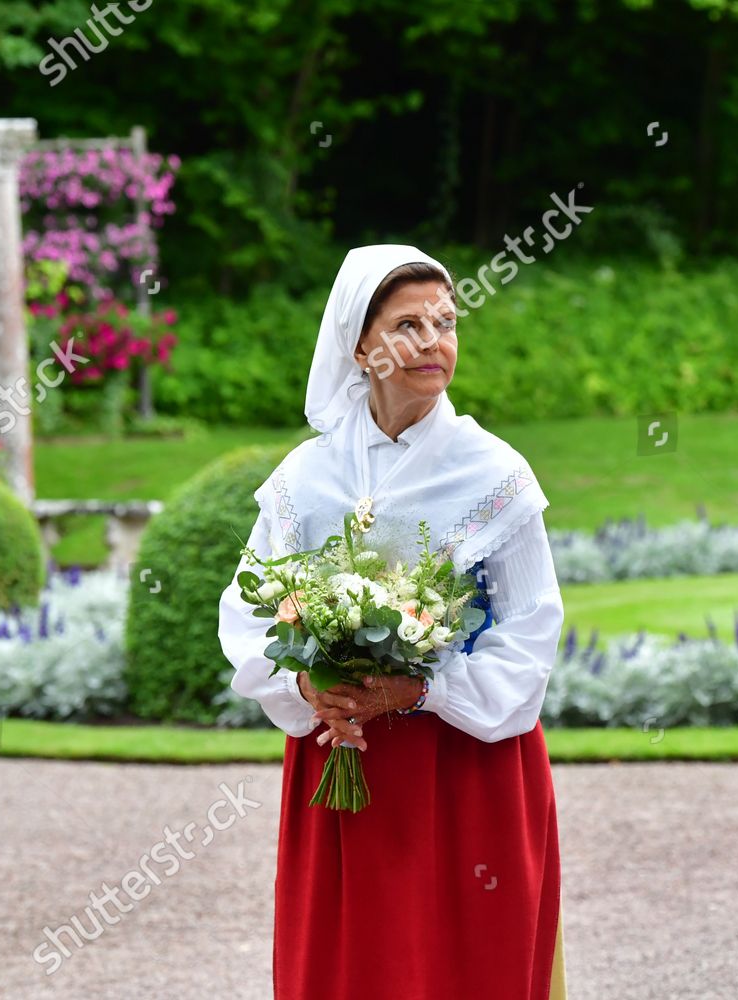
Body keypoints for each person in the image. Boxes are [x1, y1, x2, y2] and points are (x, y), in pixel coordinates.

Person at [217, 244, 568, 999]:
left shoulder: (493, 473)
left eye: (446, 322)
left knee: (463, 967)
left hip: (465, 768)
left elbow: (532, 627)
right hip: (342, 756)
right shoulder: (305, 478)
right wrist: (309, 680)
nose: (435, 341)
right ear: (361, 346)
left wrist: (423, 692)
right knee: (350, 964)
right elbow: (249, 605)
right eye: (409, 325)